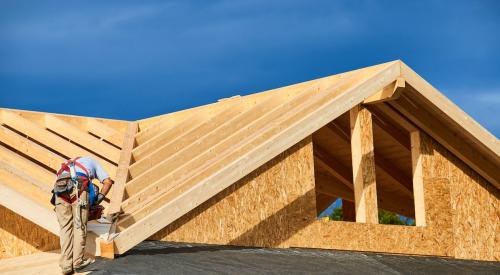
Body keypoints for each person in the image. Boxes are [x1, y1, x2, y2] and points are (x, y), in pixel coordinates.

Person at [52, 156, 113, 275]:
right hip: (78, 187)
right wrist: (99, 198)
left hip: (59, 189)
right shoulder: (92, 162)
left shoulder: (66, 165)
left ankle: (65, 265)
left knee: (65, 228)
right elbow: (108, 181)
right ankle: (78, 262)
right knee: (79, 226)